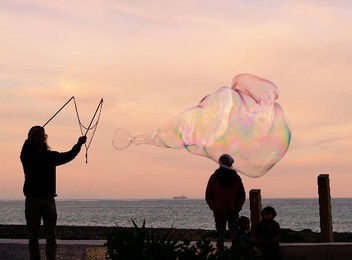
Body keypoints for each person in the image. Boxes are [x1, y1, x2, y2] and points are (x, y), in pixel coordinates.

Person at [20, 126, 87, 260]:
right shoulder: (27, 157)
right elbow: (25, 149)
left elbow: (68, 155)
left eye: (42, 136)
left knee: (51, 236)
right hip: (32, 200)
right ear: (31, 139)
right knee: (33, 237)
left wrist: (79, 144)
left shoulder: (50, 156)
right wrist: (32, 135)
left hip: (48, 200)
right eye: (37, 136)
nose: (41, 138)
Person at [205, 154, 246, 250]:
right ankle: (220, 253)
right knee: (220, 235)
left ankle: (234, 253)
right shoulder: (214, 178)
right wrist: (214, 207)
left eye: (227, 163)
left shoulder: (236, 178)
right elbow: (208, 195)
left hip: (233, 211)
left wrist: (237, 207)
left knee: (234, 235)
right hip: (219, 212)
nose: (225, 165)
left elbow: (242, 195)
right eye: (224, 163)